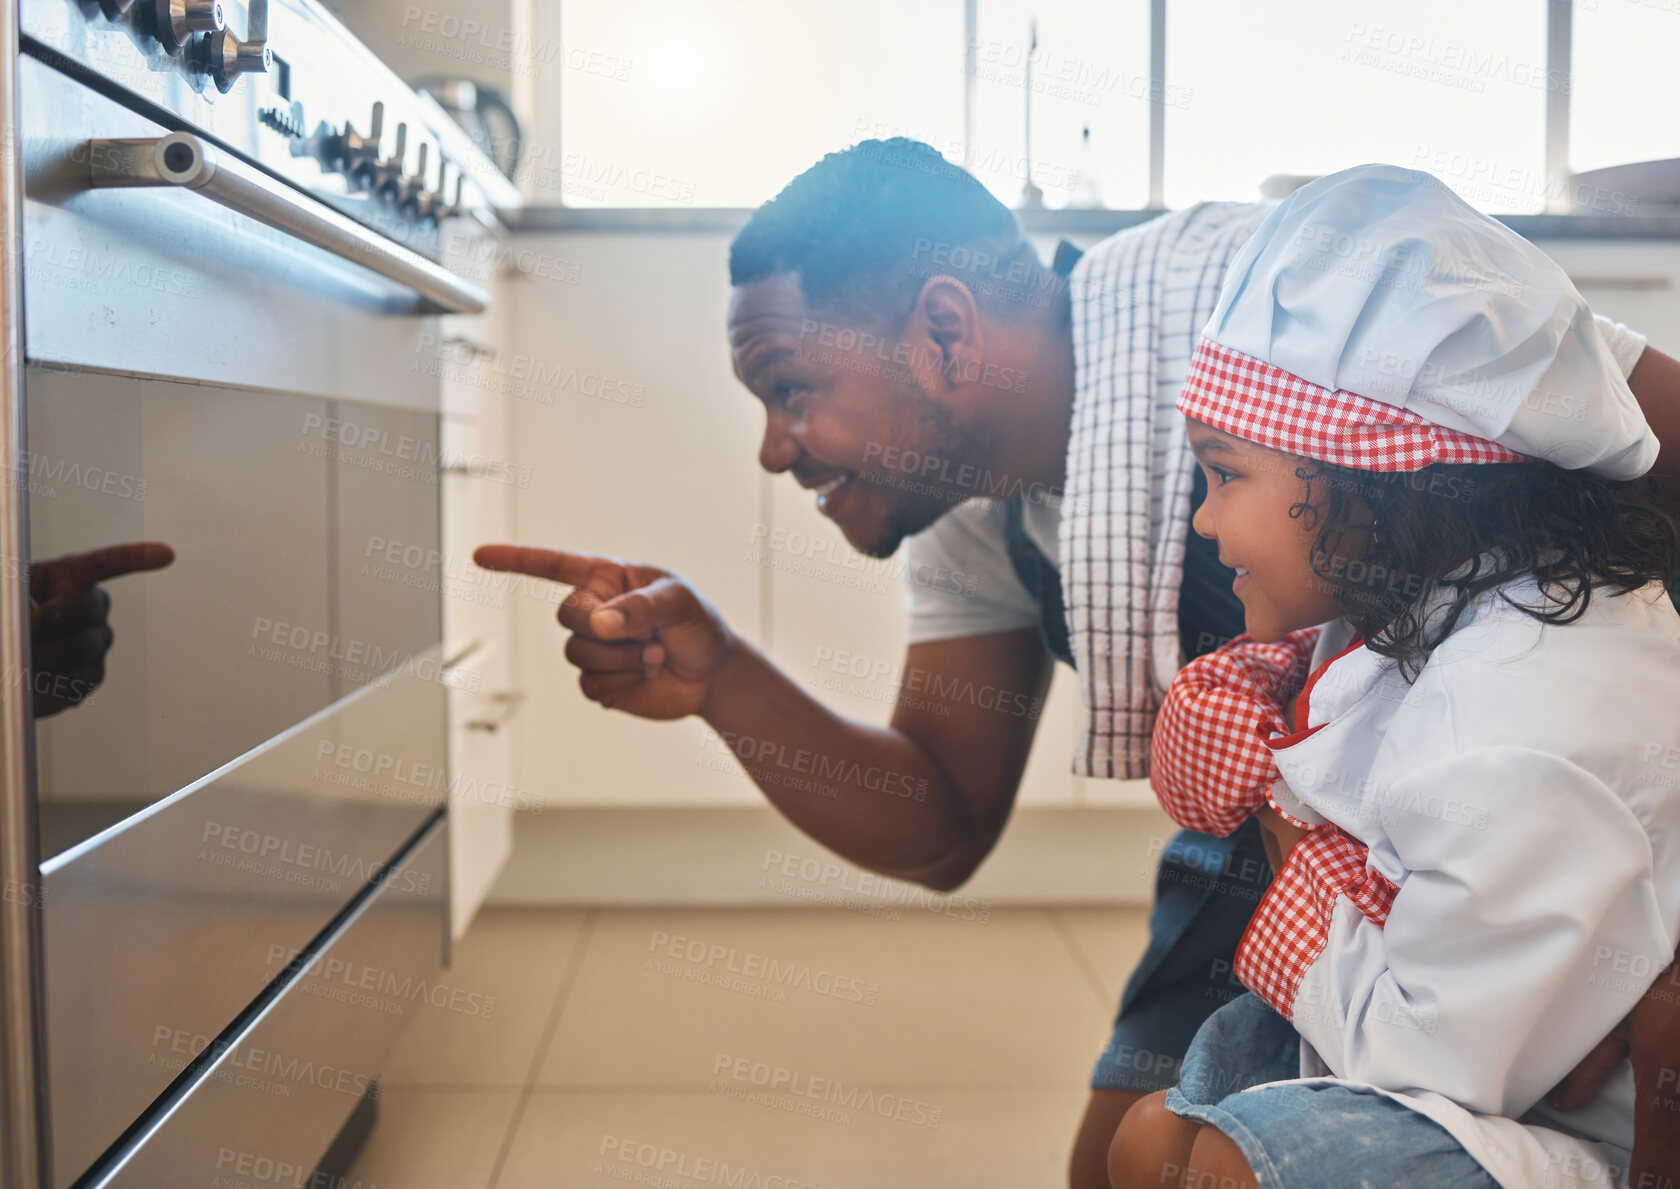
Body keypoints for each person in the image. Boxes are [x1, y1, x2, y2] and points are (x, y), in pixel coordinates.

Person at [472, 140, 1680, 1188]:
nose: (776, 448)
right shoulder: (969, 511)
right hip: (1303, 830)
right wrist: (723, 677)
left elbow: (1615, 425)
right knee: (1133, 1161)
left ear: (944, 332)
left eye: (792, 390)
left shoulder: (1268, 302)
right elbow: (941, 817)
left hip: (1568, 801)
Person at [1110, 164, 1680, 1188]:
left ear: (1372, 474)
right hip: (1443, 1048)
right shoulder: (1442, 604)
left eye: (1226, 473)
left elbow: (1447, 1061)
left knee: (1221, 1173)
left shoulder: (1518, 719)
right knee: (1145, 1143)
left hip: (1558, 1116)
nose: (1203, 520)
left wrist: (1284, 825)